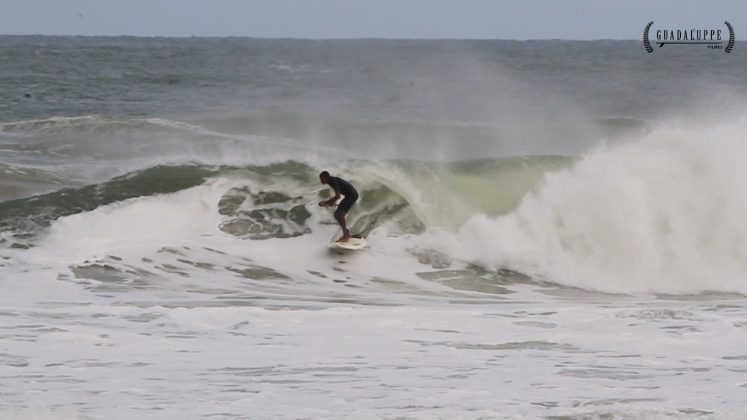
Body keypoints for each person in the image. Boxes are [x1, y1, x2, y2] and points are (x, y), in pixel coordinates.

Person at [318, 171, 358, 242]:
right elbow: (338, 194)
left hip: (352, 195)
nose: (321, 181)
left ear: (327, 177)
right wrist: (332, 202)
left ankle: (346, 235)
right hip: (349, 195)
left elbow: (338, 196)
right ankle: (346, 232)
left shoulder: (333, 181)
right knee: (337, 215)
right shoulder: (331, 181)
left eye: (322, 179)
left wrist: (325, 203)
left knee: (339, 214)